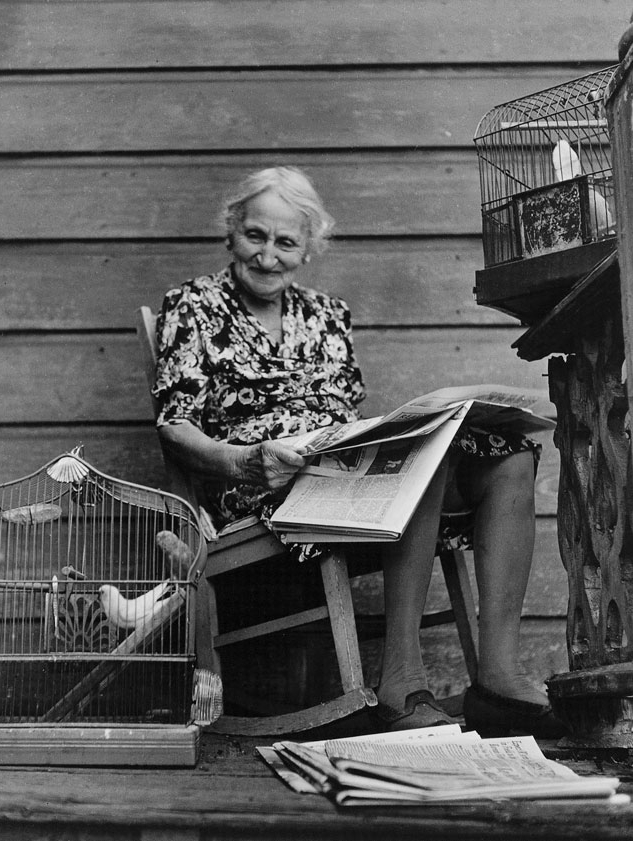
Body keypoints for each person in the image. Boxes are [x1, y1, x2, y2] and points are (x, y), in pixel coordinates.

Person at [152, 165, 565, 737]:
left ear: (308, 250)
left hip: (342, 470)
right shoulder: (193, 306)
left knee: (509, 457)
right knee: (422, 460)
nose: (268, 255)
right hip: (262, 484)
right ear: (231, 231)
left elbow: (346, 414)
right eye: (255, 235)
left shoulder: (327, 315)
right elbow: (176, 427)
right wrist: (242, 460)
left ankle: (496, 677)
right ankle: (400, 677)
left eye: (286, 242)